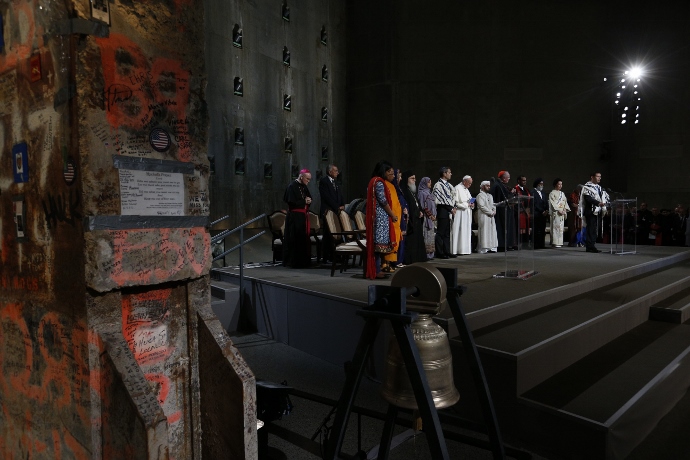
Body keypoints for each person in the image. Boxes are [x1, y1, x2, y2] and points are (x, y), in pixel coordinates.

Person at [365, 162, 398, 279]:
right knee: (378, 246)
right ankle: (376, 270)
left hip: (378, 217)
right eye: (389, 172)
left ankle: (377, 269)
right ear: (383, 171)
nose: (391, 174)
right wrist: (392, 215)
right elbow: (383, 201)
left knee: (377, 246)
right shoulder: (378, 182)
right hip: (380, 218)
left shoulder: (374, 181)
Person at [283, 169, 313, 267]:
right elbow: (291, 202)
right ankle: (294, 262)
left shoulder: (304, 187)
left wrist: (309, 200)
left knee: (303, 239)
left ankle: (303, 261)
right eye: (307, 179)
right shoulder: (292, 186)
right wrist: (304, 201)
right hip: (294, 217)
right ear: (301, 177)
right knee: (294, 239)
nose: (308, 181)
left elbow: (309, 198)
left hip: (303, 216)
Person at [318, 164, 345, 262]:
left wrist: (342, 205)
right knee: (328, 233)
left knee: (336, 233)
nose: (337, 173)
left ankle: (336, 254)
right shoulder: (324, 181)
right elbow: (326, 197)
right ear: (330, 172)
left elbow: (340, 195)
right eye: (336, 171)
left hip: (336, 211)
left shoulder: (336, 182)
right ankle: (326, 256)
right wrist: (337, 207)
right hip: (327, 211)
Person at [384, 169, 408, 270]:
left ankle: (396, 261)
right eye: (398, 176)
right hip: (393, 218)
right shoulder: (387, 186)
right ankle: (390, 262)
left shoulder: (396, 188)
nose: (398, 178)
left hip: (398, 217)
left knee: (399, 239)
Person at [401, 170, 427, 264]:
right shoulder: (405, 192)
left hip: (416, 221)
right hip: (411, 222)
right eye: (412, 179)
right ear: (406, 180)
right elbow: (410, 207)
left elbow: (417, 205)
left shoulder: (412, 192)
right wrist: (416, 213)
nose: (414, 180)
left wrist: (420, 212)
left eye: (415, 179)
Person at [579, 172, 609, 253]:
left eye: (600, 176)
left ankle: (592, 245)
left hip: (598, 211)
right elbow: (588, 199)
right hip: (591, 211)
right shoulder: (587, 187)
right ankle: (589, 246)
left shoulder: (599, 187)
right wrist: (598, 203)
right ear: (592, 177)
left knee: (595, 229)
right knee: (591, 229)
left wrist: (605, 202)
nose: (599, 178)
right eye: (598, 176)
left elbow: (603, 197)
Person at [433, 166, 457, 259]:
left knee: (447, 233)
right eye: (449, 172)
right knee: (440, 233)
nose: (451, 174)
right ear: (444, 173)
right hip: (442, 211)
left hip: (448, 212)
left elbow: (451, 198)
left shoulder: (449, 185)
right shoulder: (438, 185)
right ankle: (440, 252)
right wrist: (450, 208)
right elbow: (439, 200)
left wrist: (453, 207)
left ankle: (447, 251)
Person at [490, 171, 517, 251]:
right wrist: (511, 193)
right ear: (503, 177)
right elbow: (502, 197)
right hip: (501, 211)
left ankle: (508, 244)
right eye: (508, 177)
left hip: (506, 210)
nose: (509, 178)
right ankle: (502, 245)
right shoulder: (498, 185)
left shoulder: (502, 185)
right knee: (502, 228)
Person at [451, 175, 474, 255]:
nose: (470, 185)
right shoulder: (457, 188)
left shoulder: (466, 190)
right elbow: (456, 203)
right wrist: (467, 205)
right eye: (469, 183)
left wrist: (471, 205)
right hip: (460, 213)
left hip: (467, 213)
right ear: (464, 181)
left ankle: (465, 250)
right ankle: (457, 250)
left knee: (466, 231)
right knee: (459, 231)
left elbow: (469, 200)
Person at [476, 180, 498, 253]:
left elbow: (493, 204)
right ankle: (484, 248)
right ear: (482, 187)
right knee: (484, 231)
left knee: (492, 231)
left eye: (489, 186)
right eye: (487, 186)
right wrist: (490, 212)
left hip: (491, 216)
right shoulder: (480, 195)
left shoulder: (490, 195)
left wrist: (494, 210)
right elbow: (482, 206)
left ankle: (491, 247)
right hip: (484, 216)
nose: (489, 187)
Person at [418, 176, 437, 260]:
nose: (430, 184)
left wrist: (434, 215)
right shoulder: (422, 193)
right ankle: (426, 254)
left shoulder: (429, 193)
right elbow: (423, 206)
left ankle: (431, 254)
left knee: (431, 236)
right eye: (429, 182)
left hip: (431, 218)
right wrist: (430, 215)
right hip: (426, 218)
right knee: (426, 235)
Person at [549, 178, 570, 248]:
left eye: (561, 184)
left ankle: (560, 242)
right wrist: (558, 210)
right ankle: (554, 242)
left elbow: (565, 203)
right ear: (555, 185)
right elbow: (552, 203)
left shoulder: (562, 193)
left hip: (562, 212)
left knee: (561, 228)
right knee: (555, 227)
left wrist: (564, 209)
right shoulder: (552, 193)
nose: (560, 186)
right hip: (556, 213)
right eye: (559, 184)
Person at [514, 175, 532, 248]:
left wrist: (528, 208)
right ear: (519, 181)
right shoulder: (515, 189)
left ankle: (526, 243)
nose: (525, 182)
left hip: (526, 212)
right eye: (523, 180)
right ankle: (519, 244)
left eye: (525, 180)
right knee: (520, 228)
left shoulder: (527, 190)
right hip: (519, 213)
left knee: (526, 228)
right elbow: (514, 201)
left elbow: (530, 200)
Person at [531, 178, 548, 249]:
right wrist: (542, 211)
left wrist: (546, 210)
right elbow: (534, 204)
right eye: (540, 184)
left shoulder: (543, 193)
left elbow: (546, 202)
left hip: (543, 215)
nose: (541, 185)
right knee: (536, 230)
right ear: (537, 184)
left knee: (542, 230)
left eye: (542, 184)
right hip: (537, 214)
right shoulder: (533, 192)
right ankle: (536, 245)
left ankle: (542, 244)